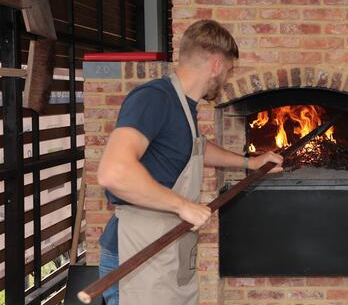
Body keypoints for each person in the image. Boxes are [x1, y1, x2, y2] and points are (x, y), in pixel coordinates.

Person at [96, 19, 283, 305]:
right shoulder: (154, 98)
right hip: (137, 254)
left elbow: (196, 148)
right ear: (217, 65)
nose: (227, 78)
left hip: (168, 248)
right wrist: (182, 205)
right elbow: (113, 172)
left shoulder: (184, 106)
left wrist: (250, 163)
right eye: (230, 70)